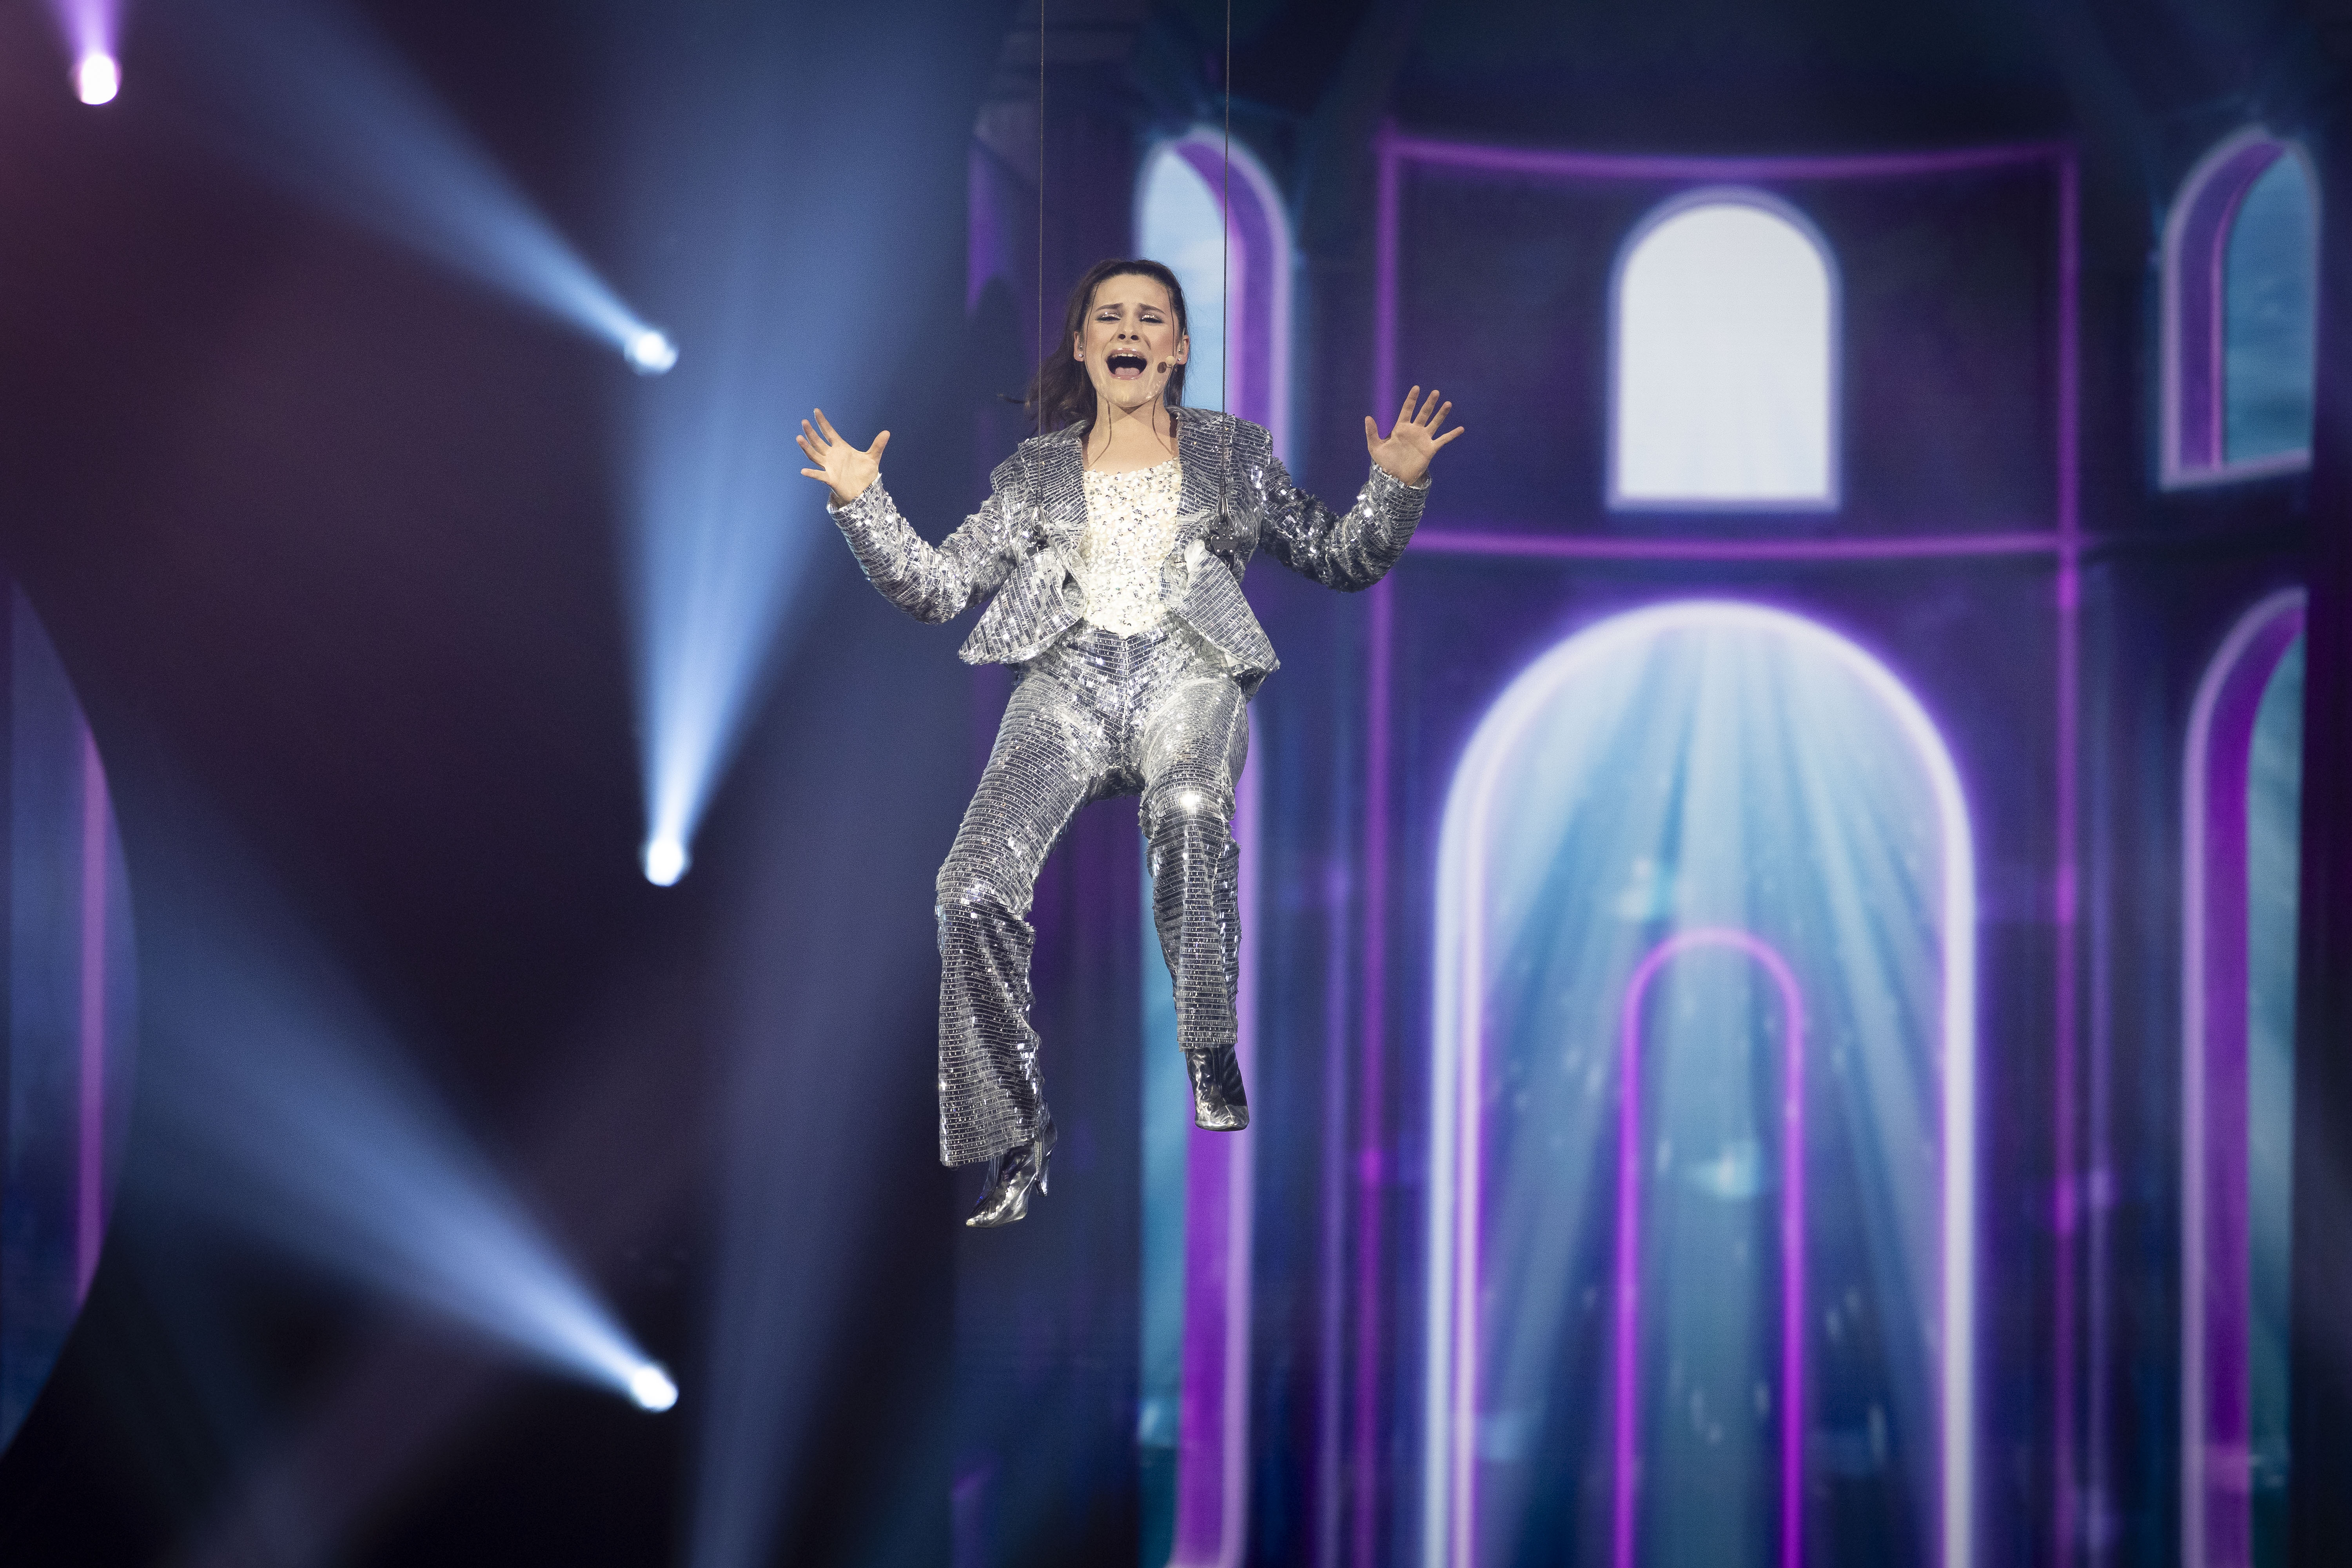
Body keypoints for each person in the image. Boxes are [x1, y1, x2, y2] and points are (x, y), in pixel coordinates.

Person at [797, 257, 1459, 1226]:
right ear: (1083, 345)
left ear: (1179, 347)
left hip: (1187, 671)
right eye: (1110, 317)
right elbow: (937, 590)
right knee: (968, 887)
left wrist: (1393, 488)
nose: (1130, 332)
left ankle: (1207, 1038)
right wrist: (864, 504)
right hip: (1064, 686)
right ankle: (1018, 1128)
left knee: (1188, 805)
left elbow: (1339, 557)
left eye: (1151, 318)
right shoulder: (1034, 476)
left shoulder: (1231, 454)